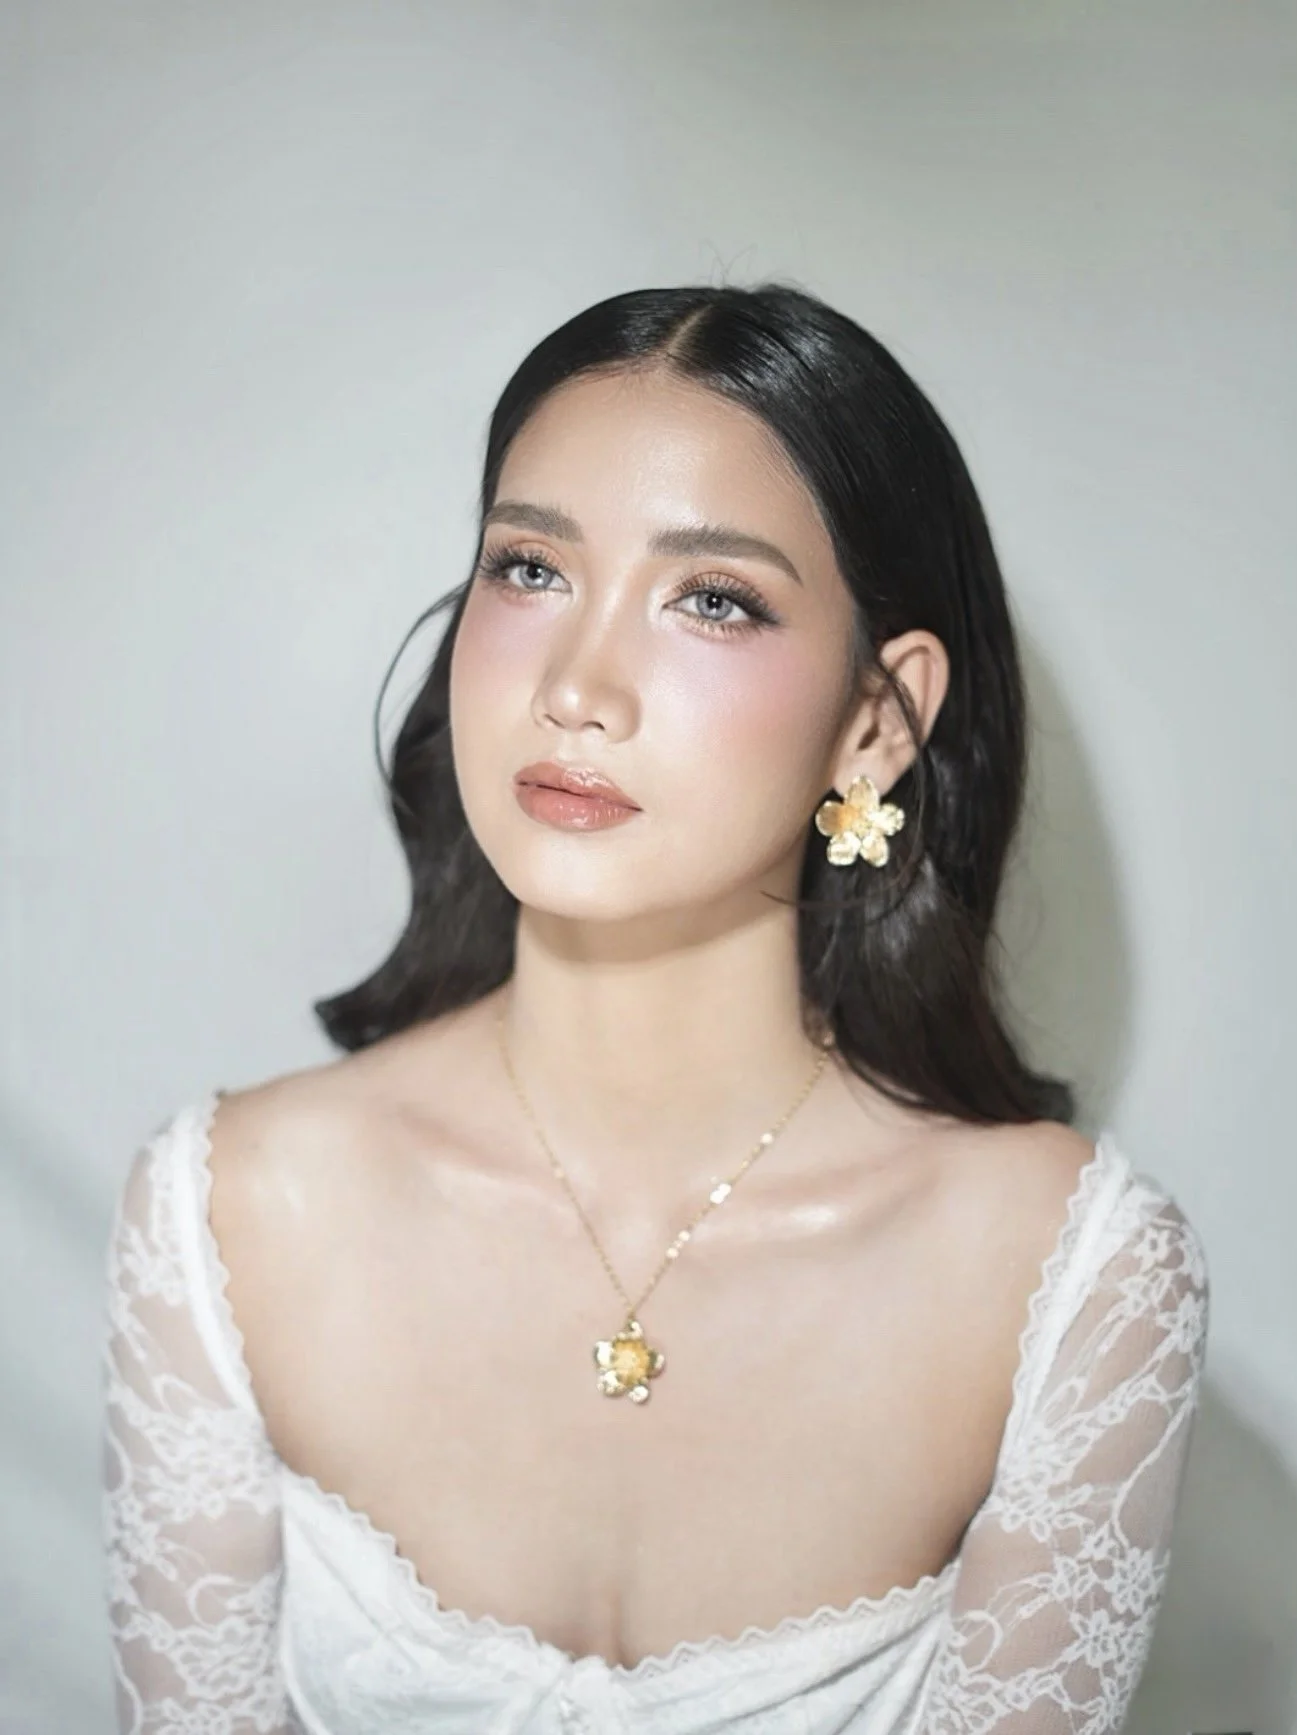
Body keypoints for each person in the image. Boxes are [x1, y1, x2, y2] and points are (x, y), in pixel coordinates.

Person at [100, 282, 1210, 1733]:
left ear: (878, 722)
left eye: (713, 599)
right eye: (530, 569)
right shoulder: (230, 1214)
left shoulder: (1072, 1281)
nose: (578, 686)